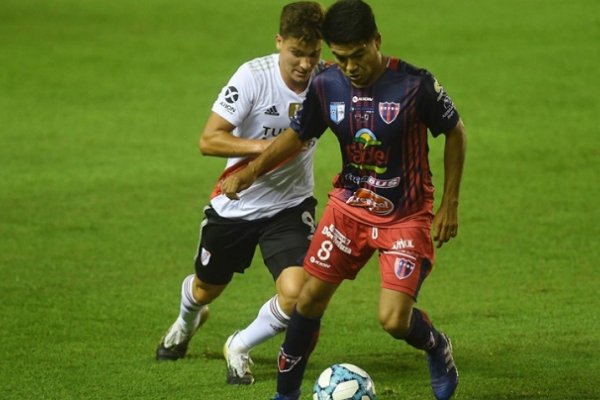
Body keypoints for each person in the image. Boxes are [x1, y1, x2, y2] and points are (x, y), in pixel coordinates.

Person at [221, 0, 467, 399]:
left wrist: (450, 203)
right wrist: (249, 172)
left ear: (376, 41)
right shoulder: (326, 85)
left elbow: (455, 131)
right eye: (340, 57)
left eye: (357, 55)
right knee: (307, 298)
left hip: (404, 215)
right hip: (348, 209)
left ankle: (437, 346)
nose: (350, 67)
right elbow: (297, 135)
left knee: (393, 320)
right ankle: (285, 395)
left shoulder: (414, 85)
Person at [155, 1, 325, 386]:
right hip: (235, 205)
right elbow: (208, 139)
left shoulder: (326, 81)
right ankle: (187, 320)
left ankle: (240, 345)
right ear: (279, 42)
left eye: (313, 54)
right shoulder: (253, 76)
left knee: (298, 294)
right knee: (205, 288)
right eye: (296, 53)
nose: (304, 64)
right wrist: (268, 149)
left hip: (289, 205)